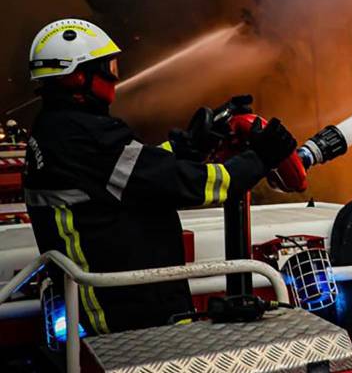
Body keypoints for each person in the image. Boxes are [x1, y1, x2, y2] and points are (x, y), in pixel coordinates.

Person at [23, 18, 297, 333]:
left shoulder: (58, 130)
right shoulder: (88, 137)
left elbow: (135, 172)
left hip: (125, 299)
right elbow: (193, 186)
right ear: (77, 78)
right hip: (129, 312)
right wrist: (261, 158)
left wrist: (190, 147)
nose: (114, 77)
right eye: (107, 68)